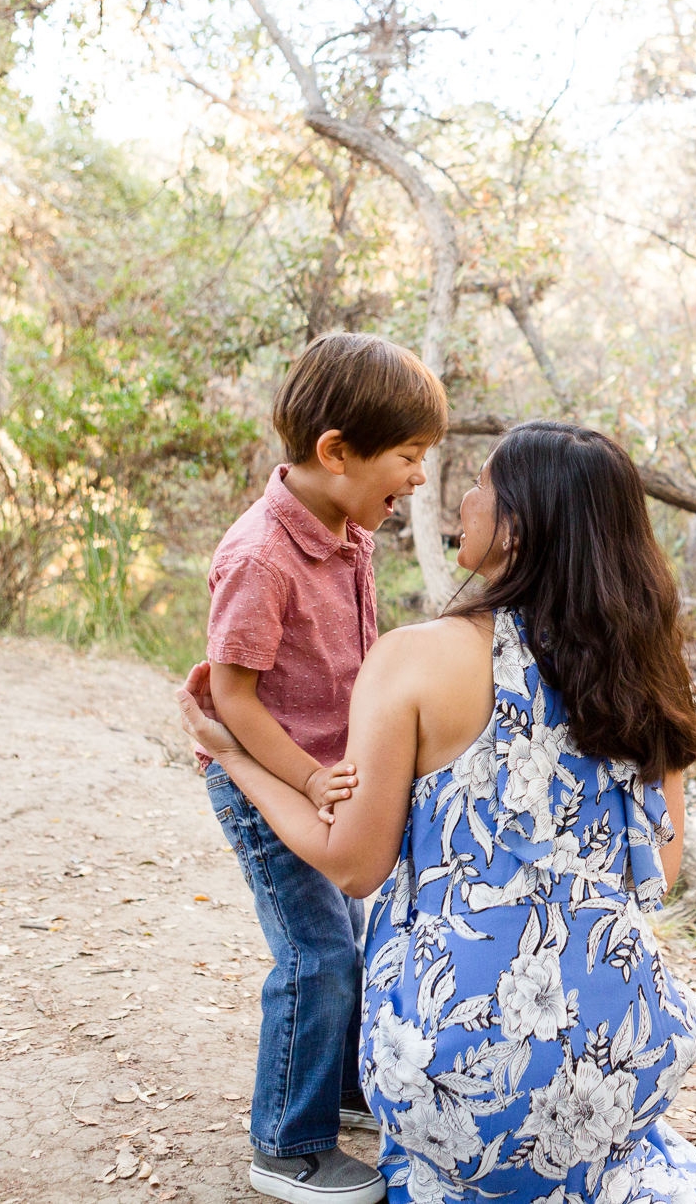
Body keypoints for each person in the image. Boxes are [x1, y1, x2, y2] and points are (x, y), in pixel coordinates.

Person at [179, 421, 696, 1204]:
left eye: (482, 484)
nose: (460, 496)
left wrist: (237, 755)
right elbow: (663, 867)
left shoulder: (417, 658)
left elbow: (352, 862)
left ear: (517, 525)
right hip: (625, 1058)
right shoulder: (646, 670)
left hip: (458, 1069)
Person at [201, 331, 447, 1204]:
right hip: (267, 779)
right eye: (409, 456)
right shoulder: (261, 555)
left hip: (328, 775)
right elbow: (231, 697)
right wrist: (303, 777)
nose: (419, 477)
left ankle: (341, 1088)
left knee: (350, 936)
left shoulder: (348, 529)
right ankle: (286, 1141)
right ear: (337, 451)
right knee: (315, 954)